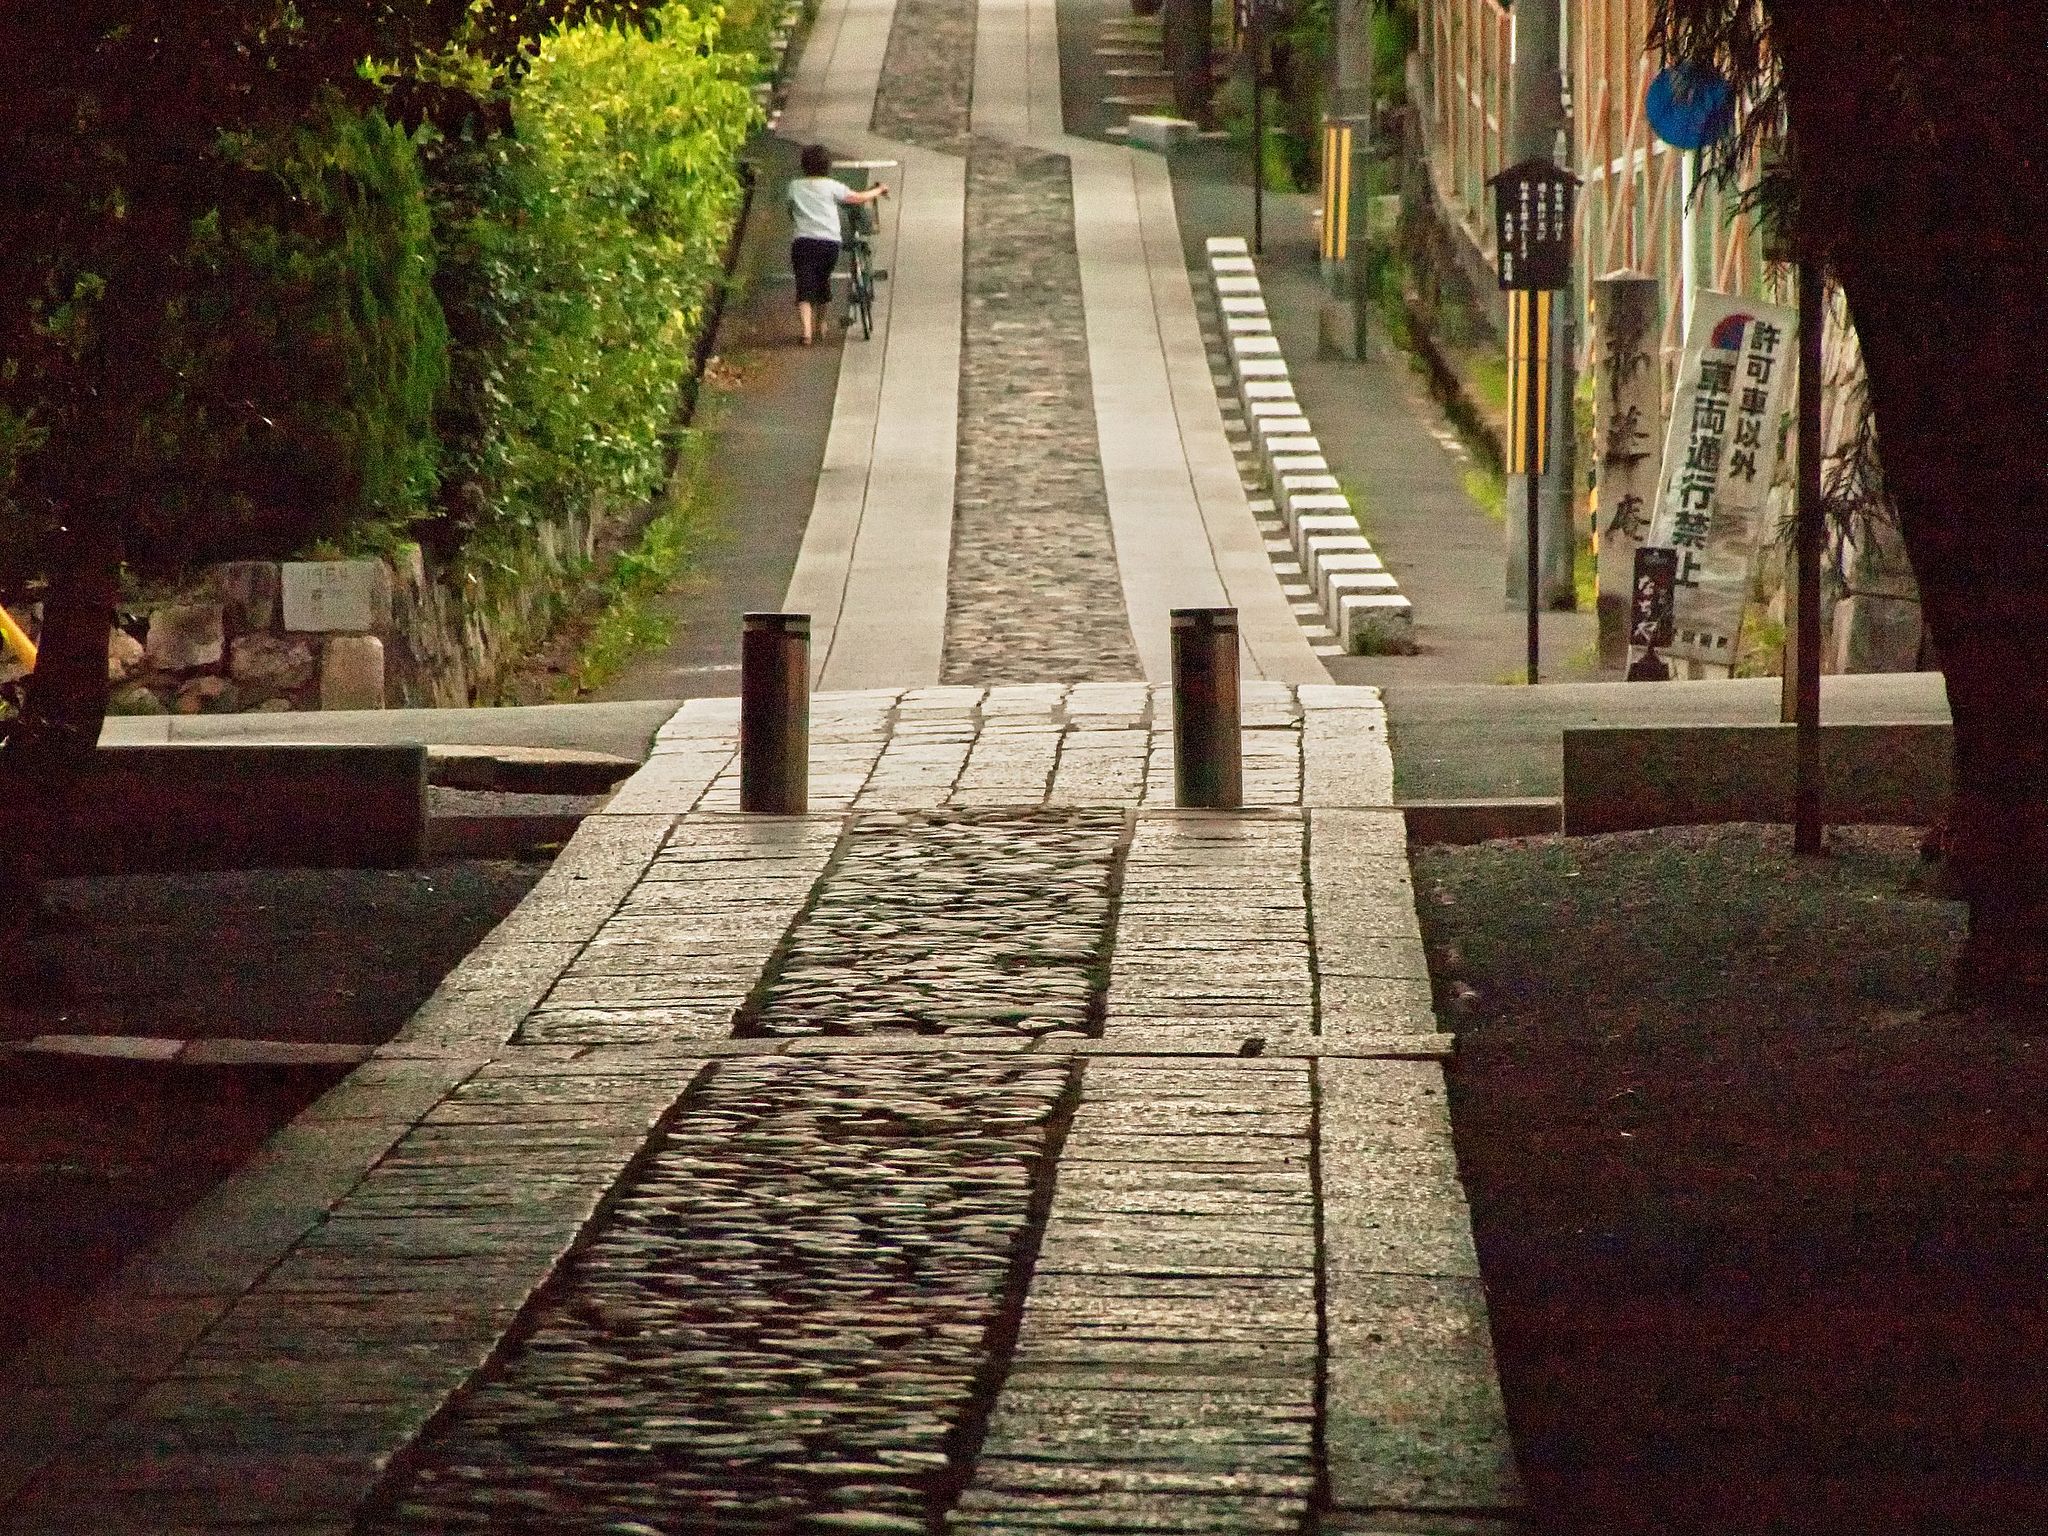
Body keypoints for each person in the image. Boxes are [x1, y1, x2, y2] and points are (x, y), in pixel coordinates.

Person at [787, 144, 888, 346]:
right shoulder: (832, 186)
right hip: (829, 242)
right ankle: (821, 324)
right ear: (827, 166)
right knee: (822, 280)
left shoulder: (794, 186)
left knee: (804, 284)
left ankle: (806, 332)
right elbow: (857, 198)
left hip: (803, 242)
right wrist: (878, 190)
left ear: (804, 166)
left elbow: (791, 210)